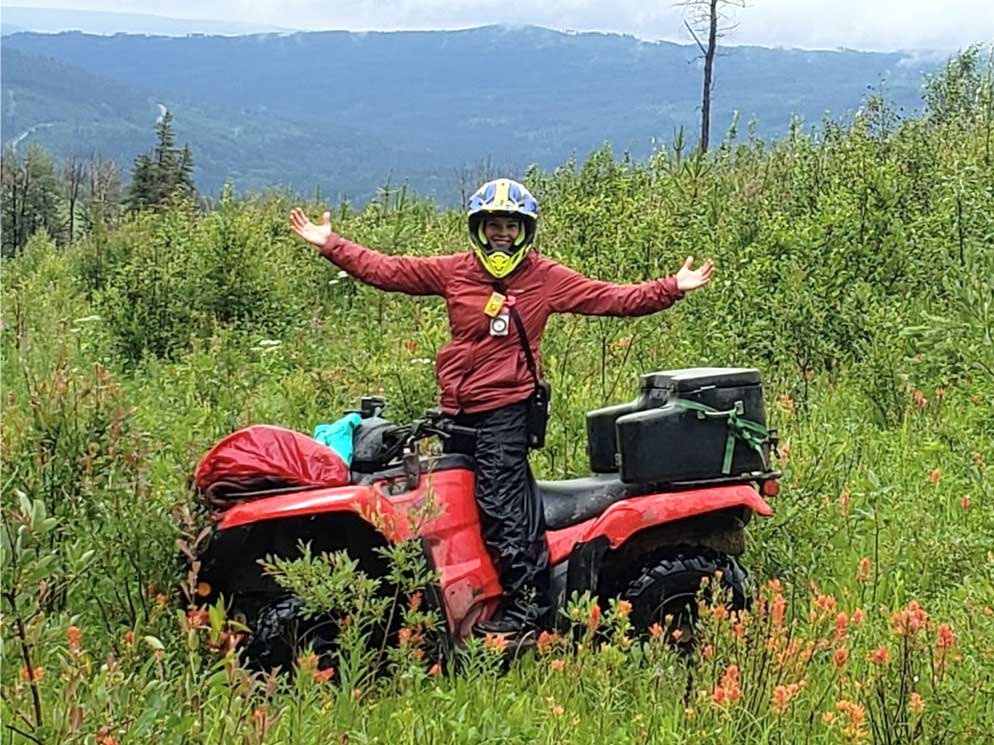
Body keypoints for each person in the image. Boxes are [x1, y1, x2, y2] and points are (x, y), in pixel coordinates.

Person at [289, 178, 714, 637]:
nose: (502, 235)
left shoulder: (544, 278)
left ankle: (526, 610)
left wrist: (671, 286)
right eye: (494, 225)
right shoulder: (456, 271)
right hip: (457, 411)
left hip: (507, 411)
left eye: (511, 226)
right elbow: (390, 270)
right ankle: (462, 595)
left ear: (523, 230)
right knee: (454, 504)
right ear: (480, 227)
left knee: (502, 504)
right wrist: (332, 245)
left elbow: (610, 297)